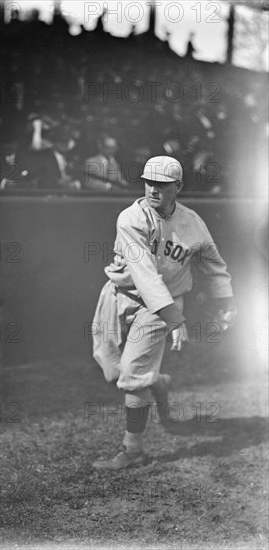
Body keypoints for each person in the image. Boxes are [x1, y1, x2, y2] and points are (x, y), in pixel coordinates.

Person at [91, 155, 237, 470]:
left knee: (131, 378)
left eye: (162, 184)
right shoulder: (130, 218)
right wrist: (175, 320)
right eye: (149, 182)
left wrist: (224, 301)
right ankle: (158, 381)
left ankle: (134, 451)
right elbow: (143, 273)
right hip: (118, 295)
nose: (154, 189)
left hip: (161, 305)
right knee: (113, 372)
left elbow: (214, 266)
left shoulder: (193, 223)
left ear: (178, 187)